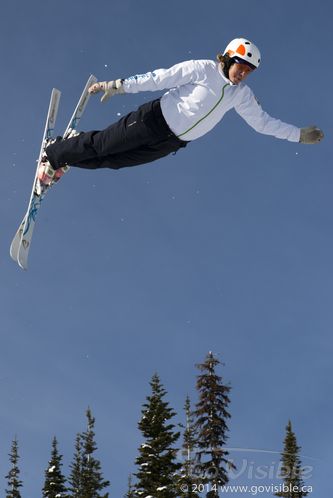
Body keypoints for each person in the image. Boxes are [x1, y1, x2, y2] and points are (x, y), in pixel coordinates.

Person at [38, 37, 324, 185]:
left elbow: (262, 123)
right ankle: (54, 152)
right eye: (242, 67)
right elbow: (159, 78)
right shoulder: (202, 69)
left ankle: (66, 158)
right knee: (103, 144)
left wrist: (297, 135)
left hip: (171, 143)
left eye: (249, 72)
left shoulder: (241, 95)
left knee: (114, 161)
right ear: (229, 58)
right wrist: (118, 85)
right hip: (152, 121)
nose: (244, 75)